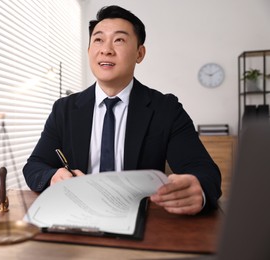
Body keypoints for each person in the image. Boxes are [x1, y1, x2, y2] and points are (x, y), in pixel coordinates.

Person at [23, 5, 221, 215]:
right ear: (89, 50)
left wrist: (197, 189)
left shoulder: (166, 109)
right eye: (98, 40)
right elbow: (35, 166)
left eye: (119, 40)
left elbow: (206, 172)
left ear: (140, 53)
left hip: (141, 219)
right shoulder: (64, 109)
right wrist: (54, 176)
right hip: (77, 216)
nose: (106, 49)